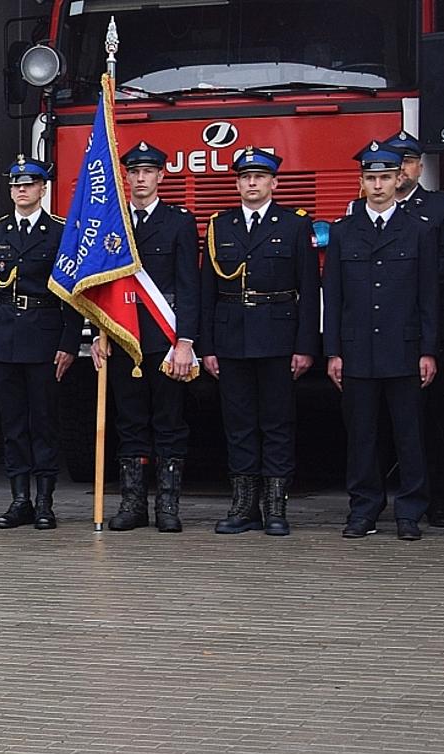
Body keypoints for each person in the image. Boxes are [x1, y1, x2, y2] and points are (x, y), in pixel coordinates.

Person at [198, 148, 321, 537]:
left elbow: (309, 288)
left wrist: (306, 346)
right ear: (236, 184)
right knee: (238, 425)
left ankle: (275, 507)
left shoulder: (295, 224)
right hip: (231, 336)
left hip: (278, 336)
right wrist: (208, 346)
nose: (251, 184)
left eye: (259, 178)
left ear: (274, 183)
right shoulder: (220, 225)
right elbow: (206, 292)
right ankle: (244, 506)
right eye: (244, 178)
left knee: (278, 423)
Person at [323, 143, 440, 542]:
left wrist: (428, 350)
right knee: (361, 436)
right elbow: (333, 295)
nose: (378, 185)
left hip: (404, 348)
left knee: (409, 434)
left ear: (399, 180)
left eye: (385, 178)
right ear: (361, 183)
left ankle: (410, 511)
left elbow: (428, 297)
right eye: (371, 178)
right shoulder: (342, 232)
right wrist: (333, 351)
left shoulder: (420, 230)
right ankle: (364, 509)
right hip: (356, 350)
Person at [93, 142, 199, 532]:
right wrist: (100, 334)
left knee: (169, 421)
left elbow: (189, 285)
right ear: (126, 176)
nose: (140, 179)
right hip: (122, 338)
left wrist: (186, 339)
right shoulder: (112, 222)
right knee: (130, 422)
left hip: (164, 338)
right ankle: (133, 504)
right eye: (134, 172)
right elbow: (101, 285)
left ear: (160, 176)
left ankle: (167, 507)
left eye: (148, 172)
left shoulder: (178, 222)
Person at [0, 156, 80, 531]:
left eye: (28, 184)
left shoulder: (60, 231)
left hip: (45, 335)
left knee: (44, 422)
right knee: (13, 423)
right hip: (4, 336)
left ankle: (45, 501)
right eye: (16, 185)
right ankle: (19, 499)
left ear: (42, 189)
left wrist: (69, 340)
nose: (21, 190)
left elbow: (71, 293)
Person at [377, 131, 444, 528]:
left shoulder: (441, 207)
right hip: (379, 329)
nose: (400, 169)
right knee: (379, 421)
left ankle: (439, 498)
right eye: (393, 163)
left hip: (424, 325)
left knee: (431, 419)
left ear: (417, 167)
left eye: (408, 161)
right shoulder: (364, 209)